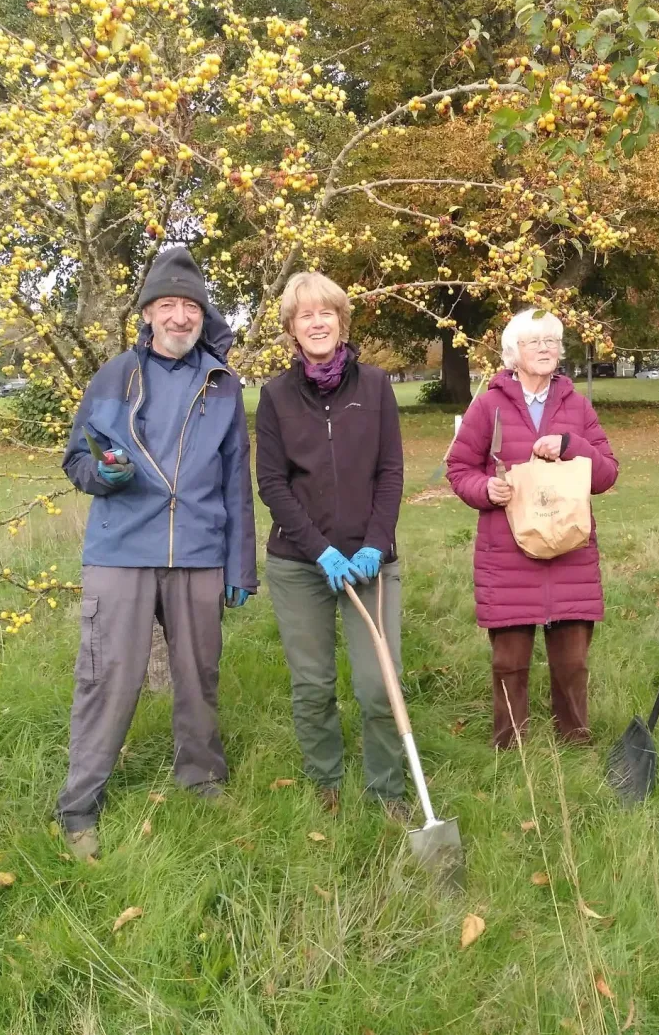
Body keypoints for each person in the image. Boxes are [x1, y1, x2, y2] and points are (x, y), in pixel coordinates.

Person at [57, 245, 258, 859]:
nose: (178, 316)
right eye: (166, 305)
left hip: (199, 550)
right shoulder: (116, 375)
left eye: (189, 306)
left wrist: (240, 562)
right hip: (121, 549)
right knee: (108, 678)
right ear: (147, 314)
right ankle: (79, 806)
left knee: (199, 677)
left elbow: (235, 480)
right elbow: (77, 458)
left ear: (202, 315)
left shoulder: (222, 383)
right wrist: (104, 476)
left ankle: (200, 779)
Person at [255, 272, 407, 817]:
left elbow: (390, 472)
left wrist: (374, 543)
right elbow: (272, 483)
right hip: (300, 564)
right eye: (305, 316)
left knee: (378, 685)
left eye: (327, 314)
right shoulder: (275, 396)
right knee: (314, 685)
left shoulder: (376, 386)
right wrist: (319, 550)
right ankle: (327, 783)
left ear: (342, 323)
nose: (317, 323)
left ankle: (388, 789)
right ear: (292, 330)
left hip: (370, 562)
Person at [447, 308, 619, 748]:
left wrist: (572, 446)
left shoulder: (577, 406)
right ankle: (510, 747)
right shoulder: (488, 406)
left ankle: (575, 741)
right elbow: (459, 467)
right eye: (533, 341)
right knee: (509, 661)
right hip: (506, 555)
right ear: (513, 353)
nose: (544, 348)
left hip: (571, 554)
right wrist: (486, 489)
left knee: (573, 662)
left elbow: (605, 474)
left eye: (552, 341)